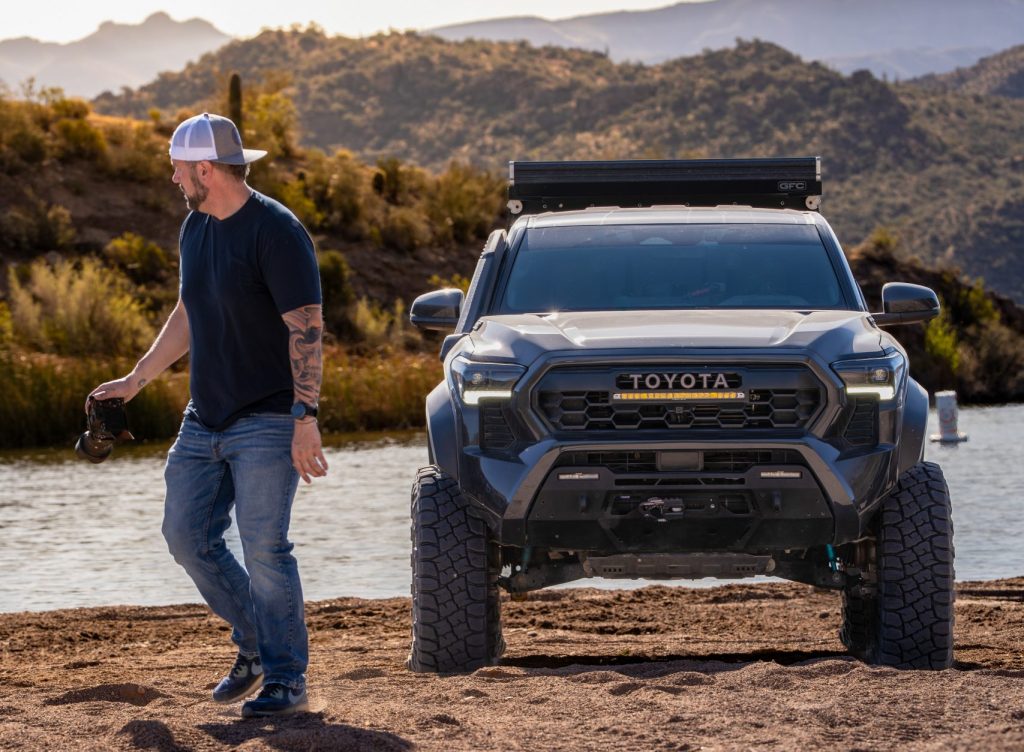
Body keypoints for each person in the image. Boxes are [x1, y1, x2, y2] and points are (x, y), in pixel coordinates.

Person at [87, 112, 326, 718]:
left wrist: (305, 417)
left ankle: (285, 678)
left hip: (268, 418)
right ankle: (256, 643)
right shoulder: (195, 227)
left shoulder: (277, 231)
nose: (172, 179)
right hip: (204, 418)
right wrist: (136, 379)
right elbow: (188, 312)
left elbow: (306, 328)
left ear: (203, 169)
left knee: (265, 548)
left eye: (176, 169)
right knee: (185, 536)